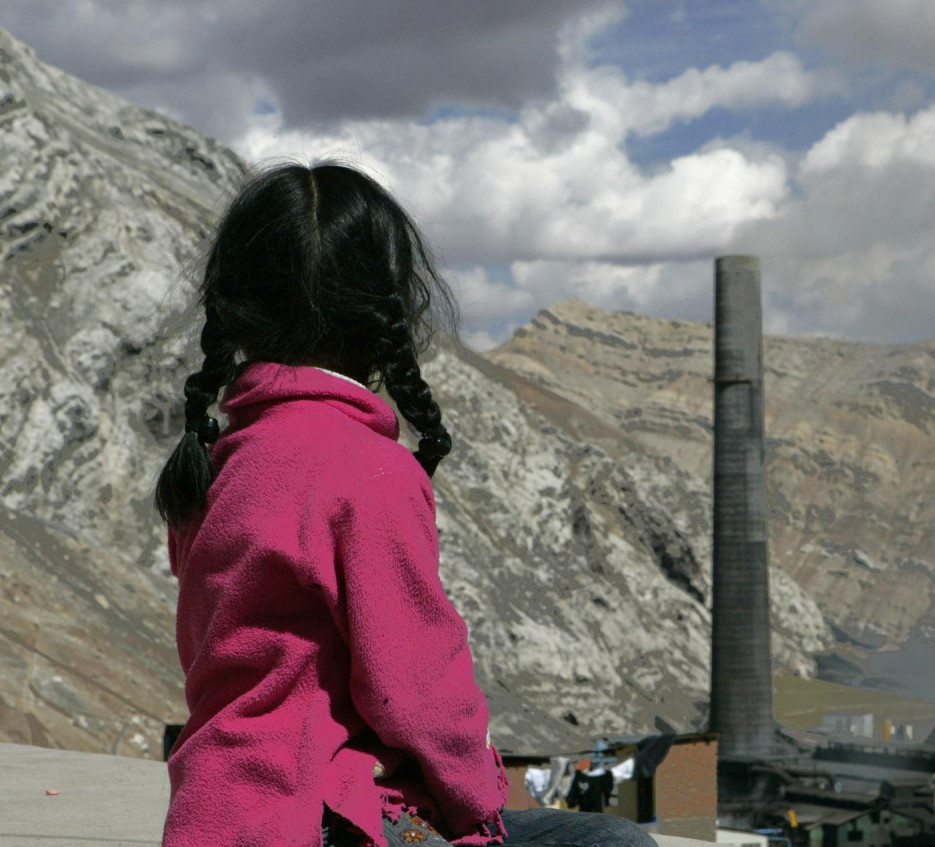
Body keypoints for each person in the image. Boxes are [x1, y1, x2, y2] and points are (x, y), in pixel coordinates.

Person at [154, 161, 657, 847]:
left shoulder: (213, 462)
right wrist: (478, 804)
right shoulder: (366, 469)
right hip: (325, 818)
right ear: (388, 311)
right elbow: (412, 690)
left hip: (216, 814)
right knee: (611, 843)